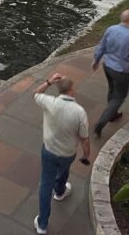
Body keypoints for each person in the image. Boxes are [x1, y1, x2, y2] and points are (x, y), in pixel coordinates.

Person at [33, 73, 90, 235]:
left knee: (45, 184)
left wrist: (48, 82)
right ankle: (60, 191)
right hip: (67, 153)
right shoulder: (80, 112)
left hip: (49, 150)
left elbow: (36, 94)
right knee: (64, 170)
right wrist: (86, 155)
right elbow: (85, 139)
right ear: (72, 89)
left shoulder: (49, 102)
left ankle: (42, 224)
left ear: (59, 89)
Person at [91, 10, 129, 138]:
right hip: (121, 71)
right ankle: (101, 123)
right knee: (119, 97)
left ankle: (112, 114)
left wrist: (96, 60)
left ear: (121, 18)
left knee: (112, 89)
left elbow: (101, 46)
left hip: (107, 66)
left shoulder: (111, 29)